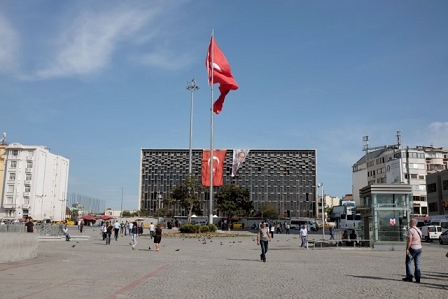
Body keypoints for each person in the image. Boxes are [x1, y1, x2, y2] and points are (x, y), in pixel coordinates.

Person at [403, 218, 422, 283]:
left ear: (412, 223)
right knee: (417, 263)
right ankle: (418, 278)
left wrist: (407, 249)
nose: (409, 223)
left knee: (408, 262)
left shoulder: (411, 230)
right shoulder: (419, 230)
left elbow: (409, 240)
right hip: (419, 249)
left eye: (409, 222)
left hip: (413, 249)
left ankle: (409, 277)